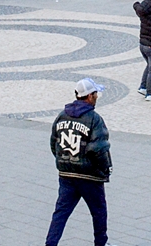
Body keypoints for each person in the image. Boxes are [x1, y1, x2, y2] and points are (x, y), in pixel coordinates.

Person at [45, 78, 112, 246]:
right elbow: (99, 149)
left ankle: (50, 243)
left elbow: (54, 143)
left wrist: (63, 161)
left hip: (67, 174)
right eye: (95, 94)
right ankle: (101, 243)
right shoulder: (94, 119)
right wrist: (105, 169)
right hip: (89, 176)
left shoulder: (62, 115)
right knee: (98, 212)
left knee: (61, 212)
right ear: (89, 96)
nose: (97, 97)